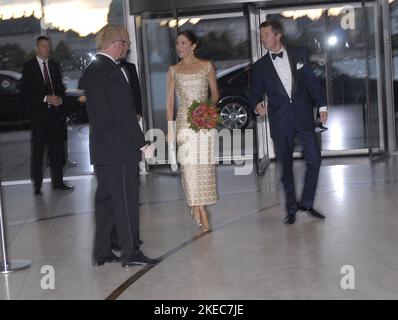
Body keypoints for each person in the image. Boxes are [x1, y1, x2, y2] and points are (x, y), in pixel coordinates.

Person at [81, 25, 158, 267]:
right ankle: (131, 253)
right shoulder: (113, 72)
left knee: (105, 200)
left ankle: (101, 252)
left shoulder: (91, 70)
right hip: (119, 149)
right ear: (117, 44)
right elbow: (124, 114)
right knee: (125, 201)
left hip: (101, 148)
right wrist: (142, 143)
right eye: (126, 43)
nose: (127, 48)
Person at [251, 20, 328, 225]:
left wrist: (321, 106)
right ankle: (291, 209)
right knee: (286, 168)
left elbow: (312, 81)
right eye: (261, 35)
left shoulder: (299, 54)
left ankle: (307, 202)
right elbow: (256, 93)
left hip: (303, 117)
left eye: (266, 34)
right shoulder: (259, 66)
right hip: (280, 121)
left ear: (278, 36)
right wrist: (257, 105)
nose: (263, 38)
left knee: (315, 159)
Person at [166, 30, 219, 233]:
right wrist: (170, 128)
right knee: (189, 168)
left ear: (193, 46)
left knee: (203, 168)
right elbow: (170, 102)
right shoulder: (173, 70)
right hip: (184, 124)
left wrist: (208, 109)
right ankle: (201, 210)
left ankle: (199, 205)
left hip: (203, 122)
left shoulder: (206, 66)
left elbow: (214, 93)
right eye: (177, 43)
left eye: (183, 43)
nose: (179, 47)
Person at [21, 36, 74, 196]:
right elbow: (26, 92)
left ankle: (58, 183)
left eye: (49, 46)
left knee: (56, 151)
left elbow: (60, 88)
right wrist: (45, 98)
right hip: (38, 117)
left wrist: (59, 98)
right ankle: (37, 186)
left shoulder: (54, 65)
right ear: (37, 48)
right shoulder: (29, 67)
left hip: (55, 116)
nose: (47, 49)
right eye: (44, 46)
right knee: (38, 152)